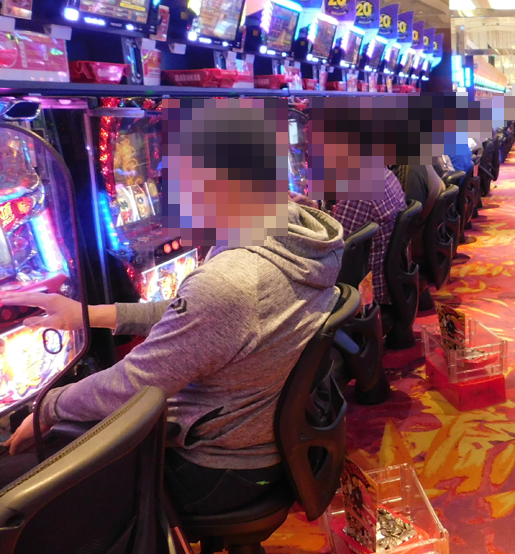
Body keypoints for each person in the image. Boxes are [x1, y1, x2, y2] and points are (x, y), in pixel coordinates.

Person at [0, 99, 346, 517]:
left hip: (220, 466)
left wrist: (47, 408)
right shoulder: (287, 238)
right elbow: (196, 314)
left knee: (30, 480)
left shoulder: (231, 280)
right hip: (267, 436)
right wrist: (90, 315)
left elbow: (134, 383)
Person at [331, 167, 407, 306]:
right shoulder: (385, 174)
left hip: (368, 293)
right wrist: (312, 208)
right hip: (393, 282)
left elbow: (333, 251)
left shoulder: (357, 191)